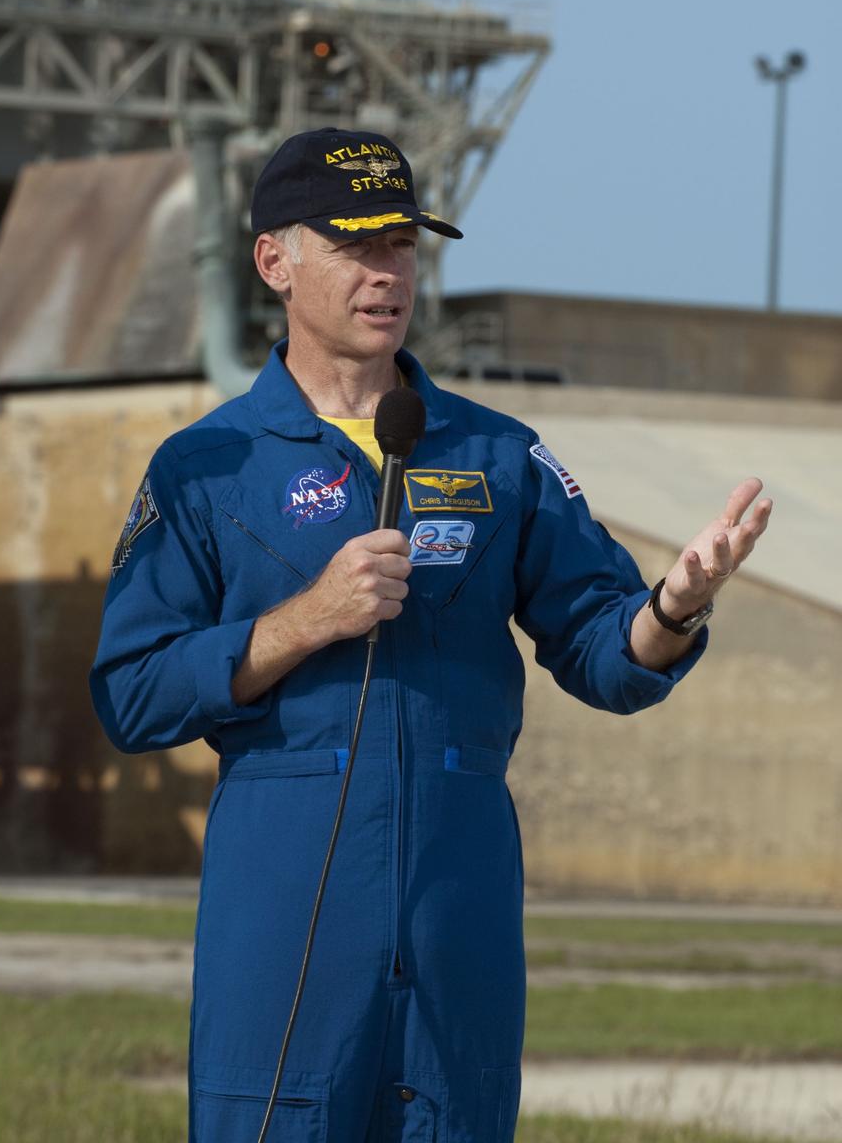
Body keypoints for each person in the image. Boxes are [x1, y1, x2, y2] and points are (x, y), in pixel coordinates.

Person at [90, 127, 772, 1142]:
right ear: (275, 261)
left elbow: (601, 649)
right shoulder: (206, 465)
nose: (389, 272)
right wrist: (301, 621)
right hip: (285, 891)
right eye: (359, 245)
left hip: (461, 890)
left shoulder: (499, 452)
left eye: (404, 246)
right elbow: (132, 692)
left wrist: (672, 606)